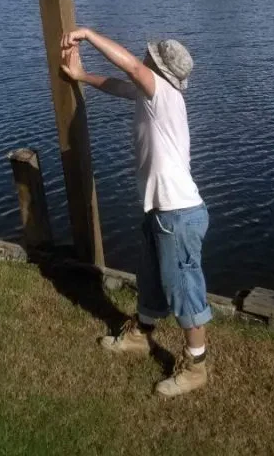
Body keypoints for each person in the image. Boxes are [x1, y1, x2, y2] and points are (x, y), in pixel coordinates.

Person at [60, 27, 211, 398]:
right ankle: (141, 336)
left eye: (150, 57)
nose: (144, 59)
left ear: (157, 67)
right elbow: (117, 83)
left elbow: (129, 68)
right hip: (162, 211)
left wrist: (88, 35)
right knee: (152, 279)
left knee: (185, 292)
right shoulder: (150, 94)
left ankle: (197, 367)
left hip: (178, 213)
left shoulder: (163, 95)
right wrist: (81, 76)